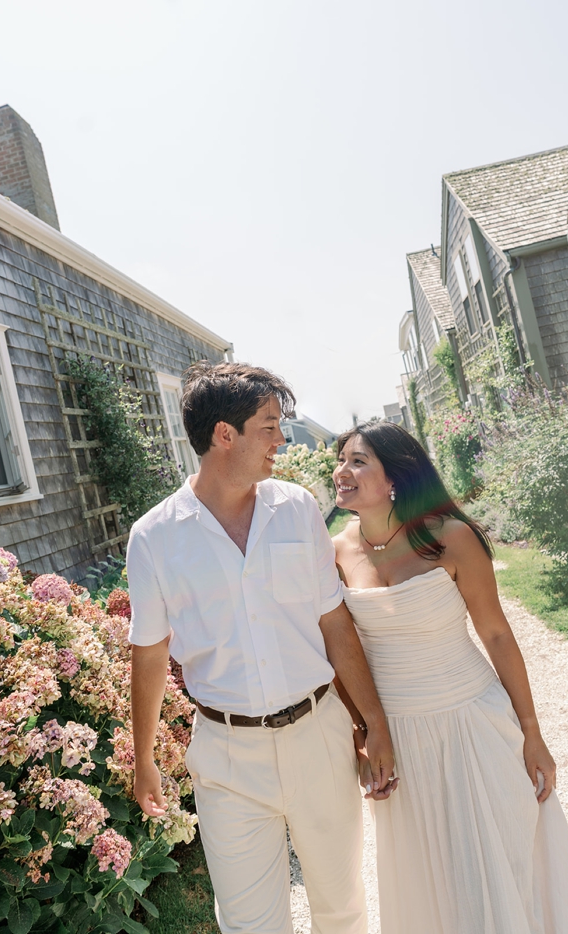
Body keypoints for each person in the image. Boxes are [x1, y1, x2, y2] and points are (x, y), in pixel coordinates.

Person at [127, 363, 395, 934]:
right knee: (249, 925)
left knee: (341, 908)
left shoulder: (297, 507)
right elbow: (148, 653)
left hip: (318, 737)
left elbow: (334, 622)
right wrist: (144, 756)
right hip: (226, 757)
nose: (282, 440)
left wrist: (373, 722)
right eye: (269, 427)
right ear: (226, 435)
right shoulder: (154, 537)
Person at [330, 419, 568, 934]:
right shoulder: (336, 553)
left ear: (396, 478)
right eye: (340, 460)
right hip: (400, 740)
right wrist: (363, 734)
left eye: (358, 460)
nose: (342, 471)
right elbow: (341, 651)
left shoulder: (451, 538)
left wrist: (532, 733)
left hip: (473, 722)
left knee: (499, 869)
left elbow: (497, 635)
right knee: (430, 883)